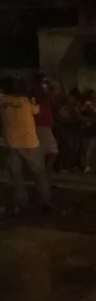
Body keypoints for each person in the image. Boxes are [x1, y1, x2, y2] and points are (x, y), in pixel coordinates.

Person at [0, 78, 51, 213]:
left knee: (16, 175)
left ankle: (22, 202)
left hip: (12, 143)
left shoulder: (2, 101)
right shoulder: (26, 101)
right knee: (39, 173)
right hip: (30, 142)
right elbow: (37, 110)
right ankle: (45, 200)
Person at [33, 78, 60, 172]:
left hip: (44, 125)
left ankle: (43, 170)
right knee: (53, 150)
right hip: (42, 126)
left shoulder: (47, 98)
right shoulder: (38, 97)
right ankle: (45, 170)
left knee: (44, 151)